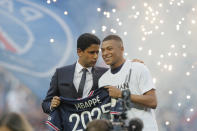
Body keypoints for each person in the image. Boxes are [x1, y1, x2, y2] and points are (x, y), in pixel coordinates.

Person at [99, 35, 158, 131]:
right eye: (103, 50)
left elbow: (153, 101)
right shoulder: (102, 80)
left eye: (109, 49)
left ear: (121, 49)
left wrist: (121, 94)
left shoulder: (138, 68)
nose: (105, 53)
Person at [42, 33, 107, 114]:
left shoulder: (105, 74)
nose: (95, 56)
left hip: (95, 125)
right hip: (68, 125)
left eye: (97, 52)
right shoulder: (61, 73)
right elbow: (45, 104)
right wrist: (52, 105)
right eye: (91, 52)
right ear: (79, 52)